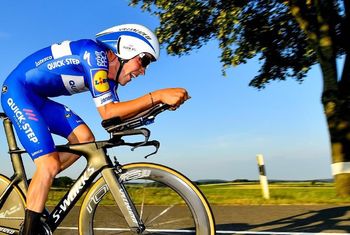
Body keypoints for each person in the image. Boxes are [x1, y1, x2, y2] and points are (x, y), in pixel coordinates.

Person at [1, 23, 189, 234]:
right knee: (49, 165)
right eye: (143, 60)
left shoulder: (109, 80)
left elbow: (116, 118)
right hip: (18, 92)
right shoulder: (94, 54)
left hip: (38, 99)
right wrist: (158, 95)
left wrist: (157, 105)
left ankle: (38, 185)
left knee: (84, 139)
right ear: (126, 50)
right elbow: (108, 112)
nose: (143, 71)